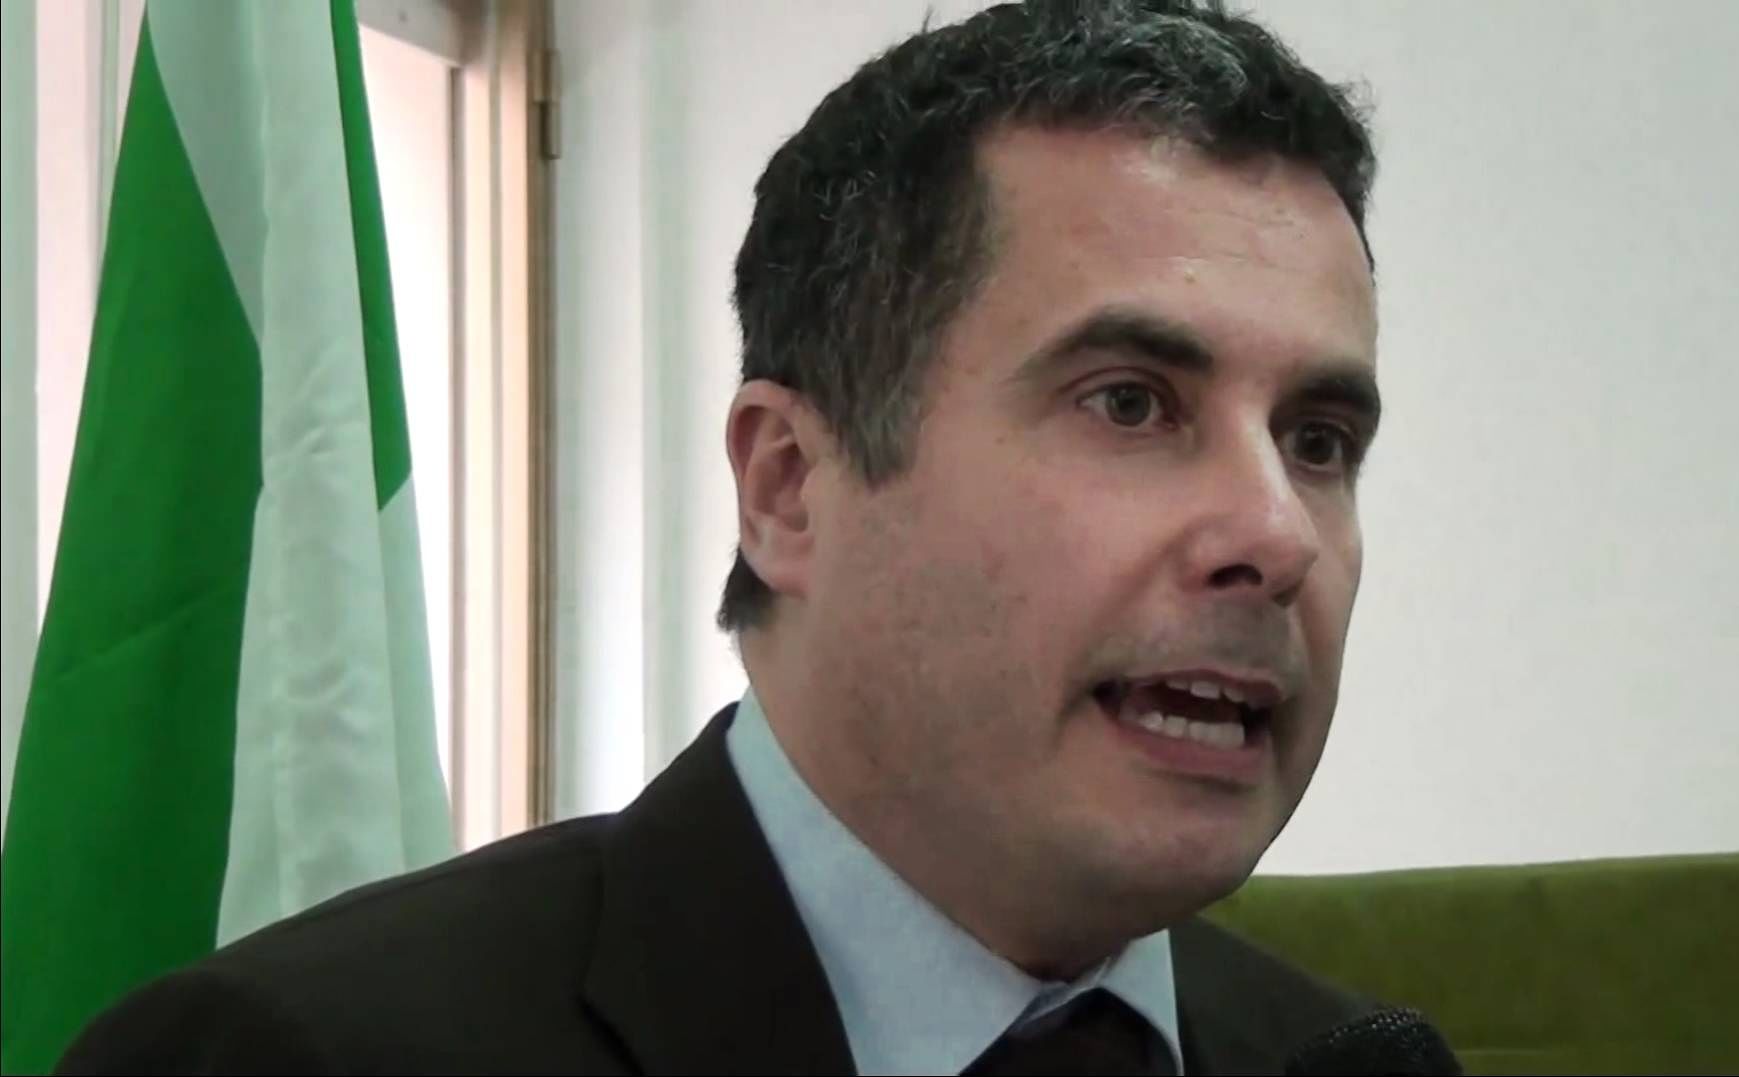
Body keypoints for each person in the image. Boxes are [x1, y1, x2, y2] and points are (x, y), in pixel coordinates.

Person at [58, 1, 1460, 1072]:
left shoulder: (1338, 1063)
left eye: (1319, 440)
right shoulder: (296, 1052)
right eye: (1131, 403)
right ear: (790, 488)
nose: (1275, 531)